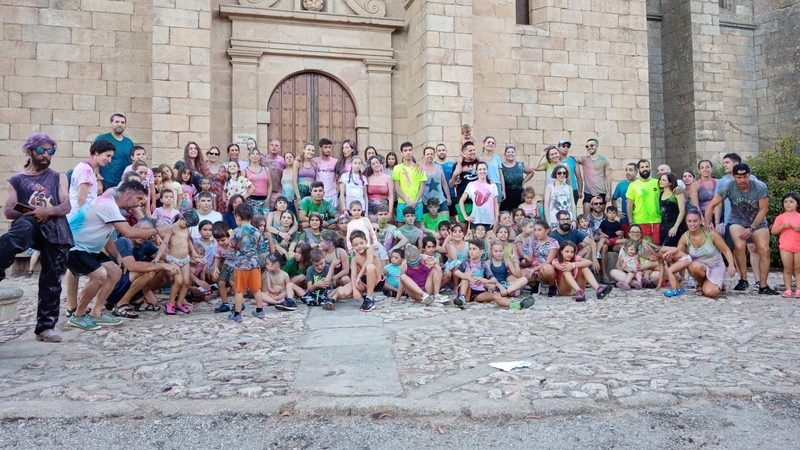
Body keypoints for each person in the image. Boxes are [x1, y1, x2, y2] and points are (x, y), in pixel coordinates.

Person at [65, 180, 167, 331]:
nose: (140, 203)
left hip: (87, 248)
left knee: (115, 271)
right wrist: (157, 231)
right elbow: (129, 232)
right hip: (72, 246)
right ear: (127, 194)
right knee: (100, 276)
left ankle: (96, 313)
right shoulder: (107, 204)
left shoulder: (113, 206)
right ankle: (78, 316)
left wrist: (118, 256)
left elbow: (107, 236)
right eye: (139, 198)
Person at [0, 134, 73, 342]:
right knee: (19, 231)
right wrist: (32, 211)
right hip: (30, 222)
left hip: (56, 228)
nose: (46, 154)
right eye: (41, 150)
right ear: (29, 151)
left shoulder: (58, 177)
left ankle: (45, 327)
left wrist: (47, 211)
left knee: (52, 280)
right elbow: (9, 210)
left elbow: (66, 206)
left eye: (50, 151)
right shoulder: (16, 179)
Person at [704, 163, 777, 294]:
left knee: (764, 249)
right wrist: (708, 223)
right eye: (739, 177)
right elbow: (712, 205)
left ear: (749, 175)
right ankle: (743, 279)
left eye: (745, 176)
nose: (742, 180)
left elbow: (763, 209)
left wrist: (752, 228)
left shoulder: (760, 187)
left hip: (757, 222)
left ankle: (763, 285)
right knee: (739, 245)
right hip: (737, 220)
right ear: (734, 177)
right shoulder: (728, 187)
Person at [106, 219, 178, 317]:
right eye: (142, 231)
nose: (144, 235)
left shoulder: (145, 244)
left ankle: (136, 300)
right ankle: (121, 304)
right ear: (135, 228)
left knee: (164, 271)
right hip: (111, 288)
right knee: (150, 271)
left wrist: (173, 263)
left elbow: (163, 256)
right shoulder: (123, 242)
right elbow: (131, 266)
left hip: (125, 283)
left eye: (147, 233)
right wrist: (162, 265)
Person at [713, 152, 760, 289]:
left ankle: (758, 281)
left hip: (751, 220)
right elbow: (717, 204)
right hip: (732, 220)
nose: (724, 165)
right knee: (737, 249)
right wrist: (717, 223)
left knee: (753, 247)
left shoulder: (752, 179)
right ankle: (743, 279)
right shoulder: (722, 181)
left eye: (727, 162)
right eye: (723, 163)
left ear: (736, 163)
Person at [678, 207, 736, 298]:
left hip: (715, 267)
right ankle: (700, 284)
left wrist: (731, 265)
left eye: (695, 221)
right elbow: (679, 256)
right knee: (695, 266)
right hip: (698, 268)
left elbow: (726, 250)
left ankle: (713, 284)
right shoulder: (685, 237)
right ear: (686, 221)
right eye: (689, 221)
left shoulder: (711, 234)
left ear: (701, 220)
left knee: (710, 293)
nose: (692, 224)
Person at [152, 209, 202, 315]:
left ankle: (179, 302)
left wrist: (193, 252)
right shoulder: (172, 228)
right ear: (181, 218)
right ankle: (170, 303)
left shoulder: (186, 229)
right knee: (178, 281)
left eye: (190, 226)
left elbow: (188, 240)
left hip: (185, 259)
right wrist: (158, 257)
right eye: (187, 224)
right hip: (174, 259)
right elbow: (165, 243)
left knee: (186, 281)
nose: (188, 227)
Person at [227, 203, 267, 321]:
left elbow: (231, 248)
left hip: (241, 266)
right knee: (256, 290)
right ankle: (260, 311)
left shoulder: (236, 231)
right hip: (254, 265)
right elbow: (258, 247)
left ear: (238, 217)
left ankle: (237, 314)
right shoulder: (256, 231)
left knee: (239, 291)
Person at [327, 230, 384, 311]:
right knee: (342, 293)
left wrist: (359, 276)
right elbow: (353, 276)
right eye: (356, 245)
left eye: (361, 243)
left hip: (378, 280)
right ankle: (360, 294)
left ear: (366, 241)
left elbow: (369, 261)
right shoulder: (354, 259)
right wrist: (355, 291)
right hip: (365, 281)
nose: (359, 246)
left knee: (370, 267)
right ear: (352, 246)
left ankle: (369, 299)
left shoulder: (369, 250)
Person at [69, 139, 115, 217]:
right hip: (79, 216)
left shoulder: (84, 167)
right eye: (108, 155)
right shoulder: (86, 170)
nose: (109, 160)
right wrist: (88, 218)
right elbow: (81, 199)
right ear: (97, 152)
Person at [771, 193, 800, 298]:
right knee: (787, 268)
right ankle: (788, 289)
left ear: (797, 204)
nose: (788, 204)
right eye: (786, 202)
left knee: (798, 268)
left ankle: (798, 289)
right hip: (786, 246)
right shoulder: (780, 218)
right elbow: (773, 231)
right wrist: (783, 226)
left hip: (798, 246)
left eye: (791, 202)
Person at [626, 159, 661, 244]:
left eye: (647, 166)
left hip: (657, 221)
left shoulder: (658, 183)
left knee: (657, 247)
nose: (645, 169)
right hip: (640, 221)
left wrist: (677, 188)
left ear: (650, 168)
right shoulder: (633, 185)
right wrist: (631, 222)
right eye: (642, 167)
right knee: (644, 248)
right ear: (638, 170)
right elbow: (629, 205)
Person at [96, 113, 134, 190]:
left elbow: (132, 163)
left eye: (122, 122)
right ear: (111, 123)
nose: (120, 124)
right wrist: (98, 182)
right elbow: (95, 160)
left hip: (123, 183)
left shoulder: (129, 142)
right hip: (105, 182)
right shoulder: (102, 138)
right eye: (117, 122)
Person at [393, 142, 427, 225]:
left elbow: (422, 187)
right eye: (405, 150)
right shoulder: (397, 168)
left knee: (417, 228)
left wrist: (415, 201)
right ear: (401, 153)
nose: (408, 152)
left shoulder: (419, 168)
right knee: (400, 228)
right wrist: (407, 201)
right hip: (402, 202)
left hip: (417, 202)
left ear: (412, 151)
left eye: (410, 150)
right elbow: (397, 187)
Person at [577, 138, 612, 214]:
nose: (589, 147)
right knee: (586, 218)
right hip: (588, 193)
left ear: (597, 145)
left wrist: (609, 192)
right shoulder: (584, 159)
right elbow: (572, 158)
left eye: (591, 145)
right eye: (587, 146)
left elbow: (608, 177)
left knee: (600, 218)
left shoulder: (604, 160)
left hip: (601, 192)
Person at [450, 141, 480, 223]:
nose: (473, 152)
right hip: (463, 200)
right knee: (463, 226)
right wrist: (455, 174)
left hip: (478, 200)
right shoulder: (457, 165)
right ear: (463, 152)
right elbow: (452, 185)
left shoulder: (479, 163)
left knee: (477, 226)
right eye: (470, 150)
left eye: (474, 150)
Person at [500, 145, 534, 213]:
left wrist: (524, 181)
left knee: (519, 213)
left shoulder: (520, 165)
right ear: (505, 154)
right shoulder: (501, 166)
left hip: (519, 194)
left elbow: (531, 172)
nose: (510, 154)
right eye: (508, 152)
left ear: (515, 154)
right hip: (507, 194)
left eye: (512, 152)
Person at [420, 146, 452, 215]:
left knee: (445, 221)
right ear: (424, 156)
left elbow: (444, 183)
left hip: (440, 199)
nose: (429, 156)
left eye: (431, 154)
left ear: (434, 155)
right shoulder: (420, 168)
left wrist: (448, 197)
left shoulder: (439, 167)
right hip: (426, 201)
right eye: (427, 154)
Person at [544, 164, 577, 228]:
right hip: (554, 220)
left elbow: (573, 204)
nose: (562, 175)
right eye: (559, 173)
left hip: (568, 220)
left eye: (564, 173)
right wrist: (548, 220)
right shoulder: (549, 187)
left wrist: (574, 220)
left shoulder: (569, 187)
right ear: (555, 174)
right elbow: (546, 205)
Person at [658, 172, 686, 247]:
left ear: (670, 182)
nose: (660, 181)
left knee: (667, 247)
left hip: (674, 224)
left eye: (664, 180)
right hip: (663, 226)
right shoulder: (660, 193)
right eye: (660, 179)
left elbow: (682, 211)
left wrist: (676, 226)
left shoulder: (676, 193)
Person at [365, 155, 394, 221]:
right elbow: (365, 196)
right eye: (373, 164)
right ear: (371, 166)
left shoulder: (388, 178)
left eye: (377, 162)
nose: (376, 165)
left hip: (384, 208)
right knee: (373, 227)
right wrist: (366, 211)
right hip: (371, 207)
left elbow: (391, 196)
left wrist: (390, 212)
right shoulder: (367, 178)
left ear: (380, 164)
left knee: (383, 227)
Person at [612, 162, 637, 235]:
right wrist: (616, 211)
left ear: (636, 171)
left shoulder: (640, 184)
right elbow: (614, 198)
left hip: (639, 219)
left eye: (630, 170)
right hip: (625, 220)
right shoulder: (621, 185)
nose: (628, 172)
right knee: (626, 242)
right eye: (626, 170)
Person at [244, 148, 271, 215]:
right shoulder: (245, 171)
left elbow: (270, 185)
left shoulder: (266, 169)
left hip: (264, 200)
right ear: (249, 156)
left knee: (264, 222)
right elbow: (243, 187)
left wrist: (268, 199)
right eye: (253, 154)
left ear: (259, 157)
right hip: (251, 201)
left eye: (257, 154)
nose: (255, 155)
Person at [434, 143, 458, 220]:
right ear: (436, 152)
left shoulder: (452, 164)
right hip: (437, 197)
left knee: (453, 218)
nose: (441, 152)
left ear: (446, 151)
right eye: (439, 150)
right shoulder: (433, 165)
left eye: (443, 150)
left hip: (451, 195)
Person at [261, 139, 286, 209]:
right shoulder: (262, 159)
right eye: (272, 145)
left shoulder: (283, 160)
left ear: (280, 149)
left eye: (276, 146)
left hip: (277, 192)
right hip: (264, 192)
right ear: (269, 147)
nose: (274, 147)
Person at [314, 138, 339, 207]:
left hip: (332, 194)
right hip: (319, 194)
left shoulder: (335, 161)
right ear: (321, 148)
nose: (328, 149)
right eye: (325, 147)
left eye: (329, 147)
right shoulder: (315, 161)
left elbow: (338, 176)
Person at [480, 136, 505, 202]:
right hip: (483, 184)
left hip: (496, 184)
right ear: (483, 144)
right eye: (488, 142)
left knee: (496, 208)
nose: (490, 144)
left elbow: (501, 174)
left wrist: (503, 190)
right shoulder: (479, 157)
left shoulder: (497, 157)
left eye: (493, 143)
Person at [205, 146, 228, 213]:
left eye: (216, 154)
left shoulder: (222, 168)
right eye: (211, 153)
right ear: (207, 154)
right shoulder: (202, 167)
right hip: (207, 197)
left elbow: (225, 184)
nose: (213, 155)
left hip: (220, 197)